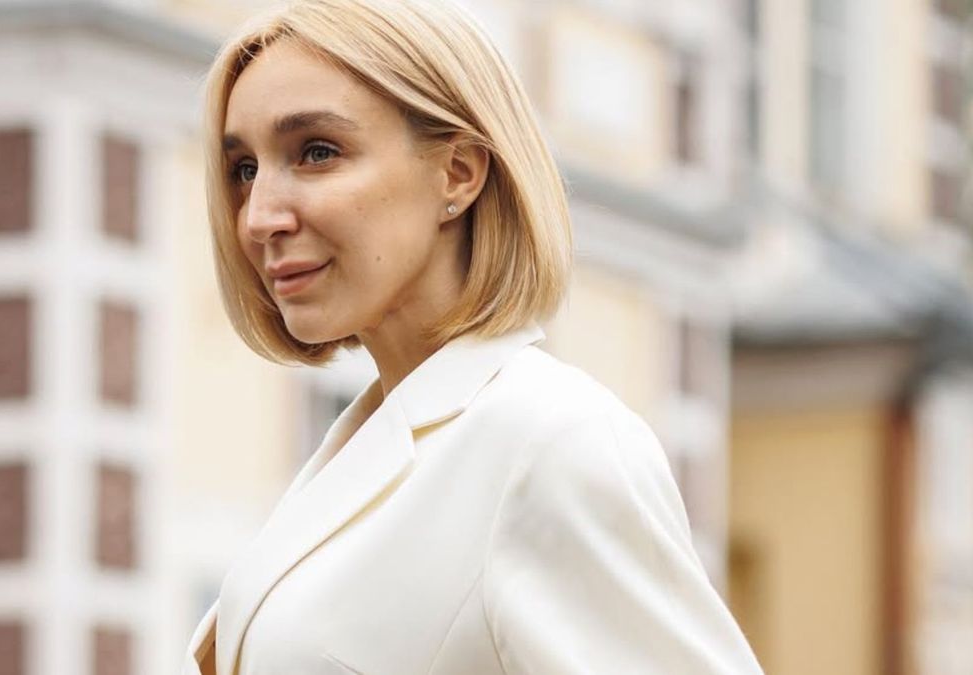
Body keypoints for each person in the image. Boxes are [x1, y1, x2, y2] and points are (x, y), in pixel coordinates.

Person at [184, 0, 764, 673]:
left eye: (317, 152)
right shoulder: (365, 447)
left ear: (458, 172)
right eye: (244, 169)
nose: (259, 217)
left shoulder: (550, 441)